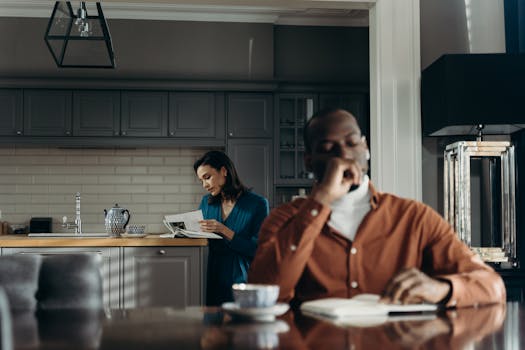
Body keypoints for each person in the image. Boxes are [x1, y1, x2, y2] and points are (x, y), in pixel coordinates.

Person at [248, 108, 506, 308]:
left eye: (351, 143)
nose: (344, 155)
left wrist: (441, 289)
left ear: (366, 148)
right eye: (328, 149)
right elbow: (263, 294)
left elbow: (492, 286)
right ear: (309, 161)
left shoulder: (414, 217)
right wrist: (319, 202)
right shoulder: (284, 219)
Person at [194, 150, 269, 306]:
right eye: (201, 180)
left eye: (207, 177)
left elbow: (258, 250)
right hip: (213, 276)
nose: (205, 185)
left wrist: (223, 230)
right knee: (213, 327)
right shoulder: (206, 203)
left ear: (223, 171)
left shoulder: (257, 204)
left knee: (240, 328)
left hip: (242, 279)